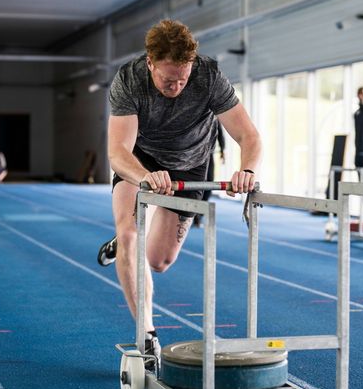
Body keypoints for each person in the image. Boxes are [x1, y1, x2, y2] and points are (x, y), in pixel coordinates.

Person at [96, 19, 262, 368]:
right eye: (168, 79)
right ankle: (147, 334)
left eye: (183, 79)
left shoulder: (209, 77)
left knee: (158, 261)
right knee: (130, 238)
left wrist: (247, 170)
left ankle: (128, 237)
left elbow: (249, 136)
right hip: (140, 161)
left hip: (189, 164)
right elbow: (117, 152)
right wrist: (146, 177)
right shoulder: (129, 80)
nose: (176, 86)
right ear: (151, 63)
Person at [192, 118, 225, 228]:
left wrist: (222, 150)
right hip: (192, 156)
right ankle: (192, 212)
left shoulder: (214, 115)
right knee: (195, 186)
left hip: (208, 155)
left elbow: (219, 131)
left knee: (209, 185)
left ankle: (198, 214)